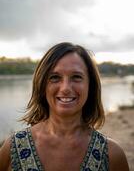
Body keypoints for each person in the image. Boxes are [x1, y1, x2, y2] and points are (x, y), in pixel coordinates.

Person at [0, 42, 129, 171]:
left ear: (90, 86)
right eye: (55, 77)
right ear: (42, 84)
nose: (66, 88)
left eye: (76, 77)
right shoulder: (12, 148)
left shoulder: (112, 155)